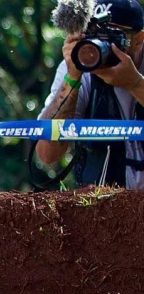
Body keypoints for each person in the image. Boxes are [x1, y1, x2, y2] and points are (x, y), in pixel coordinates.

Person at [36, 0, 144, 189]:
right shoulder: (78, 66)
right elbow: (47, 155)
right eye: (97, 35)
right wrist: (72, 78)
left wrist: (134, 83)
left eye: (114, 36)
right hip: (102, 205)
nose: (105, 45)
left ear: (139, 39)